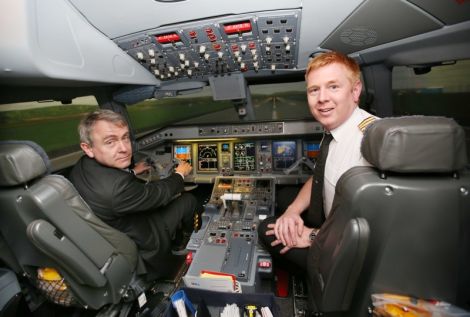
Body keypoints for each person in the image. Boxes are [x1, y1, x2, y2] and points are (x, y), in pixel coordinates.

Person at [258, 51, 377, 270]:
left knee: (266, 228)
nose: (322, 98)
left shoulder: (370, 144)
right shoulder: (337, 126)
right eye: (314, 90)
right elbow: (319, 178)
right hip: (332, 217)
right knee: (285, 197)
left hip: (348, 250)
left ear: (355, 90)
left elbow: (372, 231)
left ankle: (313, 285)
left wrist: (313, 236)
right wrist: (292, 211)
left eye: (333, 86)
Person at [69, 109, 197, 277]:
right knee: (187, 200)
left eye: (125, 137)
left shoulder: (83, 165)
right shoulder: (118, 189)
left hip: (117, 225)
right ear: (88, 148)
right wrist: (179, 174)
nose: (124, 148)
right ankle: (184, 241)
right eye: (110, 142)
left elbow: (111, 181)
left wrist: (132, 172)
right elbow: (160, 194)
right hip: (145, 238)